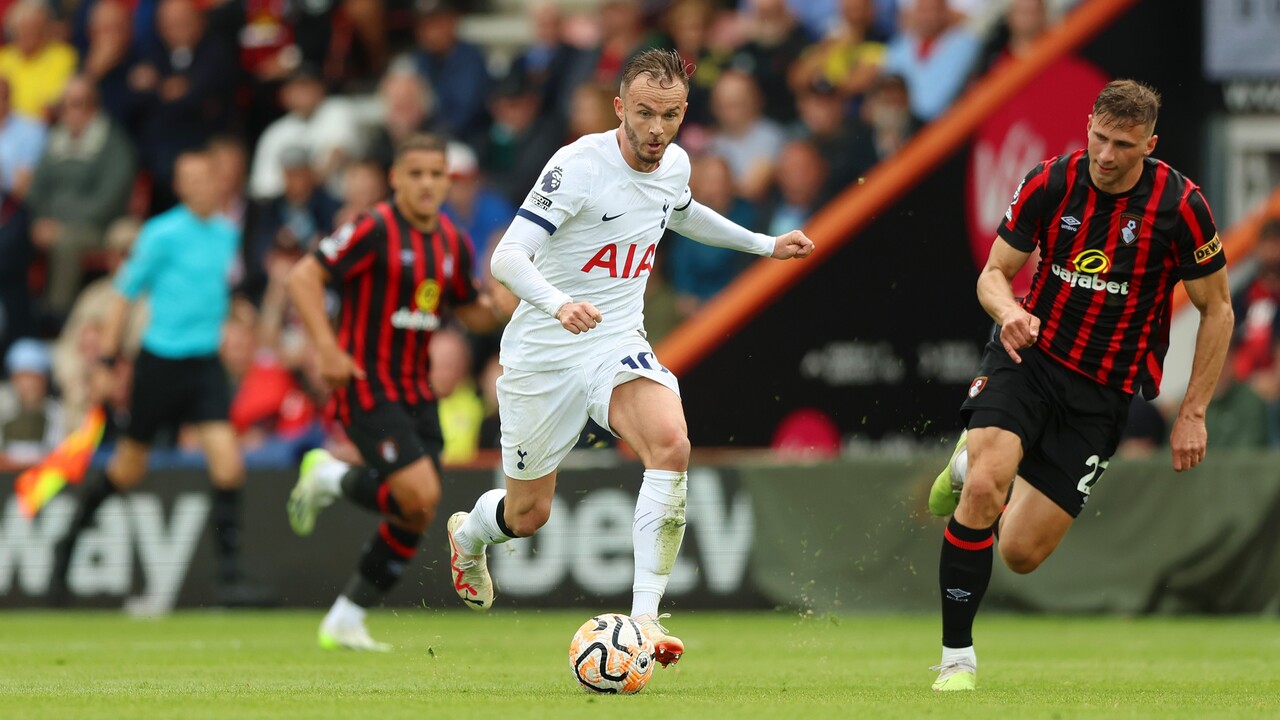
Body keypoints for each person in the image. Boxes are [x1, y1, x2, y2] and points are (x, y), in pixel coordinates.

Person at [443, 49, 815, 667]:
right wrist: (560, 304)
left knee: (670, 442)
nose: (655, 129)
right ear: (620, 107)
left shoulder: (675, 164)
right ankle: (471, 535)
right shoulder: (577, 165)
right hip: (543, 351)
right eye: (643, 113)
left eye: (669, 116)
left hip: (616, 340)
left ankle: (644, 620)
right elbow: (506, 258)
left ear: (684, 113)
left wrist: (763, 243)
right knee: (528, 513)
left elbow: (681, 211)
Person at [925, 79, 1233, 691]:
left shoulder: (1182, 206)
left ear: (1151, 143)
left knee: (1020, 553)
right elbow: (993, 275)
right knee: (986, 488)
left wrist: (1193, 411)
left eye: (1124, 144)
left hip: (1103, 392)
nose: (1107, 154)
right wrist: (1008, 311)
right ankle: (956, 659)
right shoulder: (1050, 182)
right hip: (1029, 356)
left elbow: (1217, 308)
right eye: (1099, 137)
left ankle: (971, 466)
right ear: (1087, 123)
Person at [284, 133, 503, 651]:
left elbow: (470, 311)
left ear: (448, 180)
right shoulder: (373, 227)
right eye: (417, 173)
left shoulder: (451, 241)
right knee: (422, 493)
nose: (428, 183)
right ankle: (333, 477)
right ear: (396, 179)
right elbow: (302, 278)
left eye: (437, 174)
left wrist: (514, 299)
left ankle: (345, 616)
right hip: (365, 383)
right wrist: (326, 348)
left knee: (417, 509)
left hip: (416, 390)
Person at [48, 151, 265, 607]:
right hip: (159, 363)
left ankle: (231, 579)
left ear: (216, 182)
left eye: (206, 177)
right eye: (190, 179)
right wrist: (107, 363)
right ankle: (64, 548)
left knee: (228, 464)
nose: (200, 186)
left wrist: (236, 313)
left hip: (204, 364)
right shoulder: (160, 234)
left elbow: (213, 291)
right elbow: (123, 297)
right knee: (128, 469)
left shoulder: (227, 234)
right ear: (182, 188)